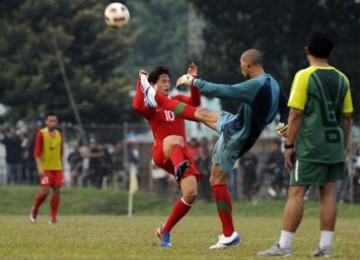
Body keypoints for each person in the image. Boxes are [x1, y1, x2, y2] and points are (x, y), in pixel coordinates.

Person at [140, 49, 289, 249]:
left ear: (247, 65)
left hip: (237, 135)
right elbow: (285, 106)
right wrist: (284, 121)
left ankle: (229, 234)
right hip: (236, 122)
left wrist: (194, 82)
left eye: (241, 64)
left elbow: (223, 90)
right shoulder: (273, 82)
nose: (240, 67)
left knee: (216, 181)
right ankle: (155, 97)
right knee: (201, 113)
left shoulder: (254, 85)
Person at [258, 31, 353, 257]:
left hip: (312, 144)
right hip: (334, 144)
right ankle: (326, 246)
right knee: (328, 195)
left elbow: (296, 114)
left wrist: (289, 146)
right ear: (331, 52)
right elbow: (347, 117)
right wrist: (344, 145)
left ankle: (284, 246)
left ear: (307, 51)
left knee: (296, 193)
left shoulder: (304, 76)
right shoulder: (342, 78)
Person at [133, 65, 201, 248]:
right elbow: (137, 106)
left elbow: (195, 103)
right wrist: (141, 82)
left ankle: (165, 229)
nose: (167, 84)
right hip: (162, 151)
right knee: (174, 139)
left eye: (168, 81)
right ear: (153, 85)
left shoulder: (177, 100)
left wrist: (193, 81)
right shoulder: (152, 104)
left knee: (191, 193)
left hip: (182, 155)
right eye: (162, 81)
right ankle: (179, 168)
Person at [30, 112, 64, 224]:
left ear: (57, 122)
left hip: (57, 167)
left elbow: (61, 151)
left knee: (57, 191)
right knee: (45, 191)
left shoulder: (59, 134)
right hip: (46, 168)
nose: (52, 123)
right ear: (46, 122)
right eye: (50, 121)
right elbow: (37, 153)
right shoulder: (41, 134)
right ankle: (34, 209)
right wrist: (40, 167)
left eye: (54, 121)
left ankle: (53, 217)